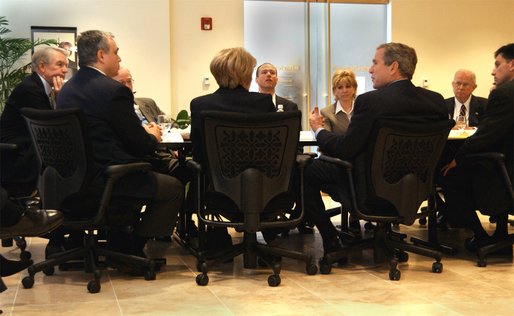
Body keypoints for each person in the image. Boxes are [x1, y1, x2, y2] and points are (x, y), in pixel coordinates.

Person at [305, 42, 448, 256]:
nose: (370, 69)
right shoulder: (436, 101)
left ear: (393, 67)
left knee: (305, 169)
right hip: (414, 192)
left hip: (370, 192)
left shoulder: (370, 102)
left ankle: (330, 238)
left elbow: (345, 150)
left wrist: (318, 130)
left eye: (375, 63)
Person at [56, 30, 184, 258]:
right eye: (116, 52)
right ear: (101, 55)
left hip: (72, 178)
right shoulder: (112, 91)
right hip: (109, 178)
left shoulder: (68, 89)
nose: (120, 58)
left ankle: (121, 236)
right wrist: (153, 135)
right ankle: (129, 246)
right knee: (172, 187)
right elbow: (140, 145)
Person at [190, 47, 276, 249]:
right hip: (263, 188)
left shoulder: (200, 104)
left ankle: (216, 234)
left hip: (219, 190)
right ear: (245, 74)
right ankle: (271, 235)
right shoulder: (263, 103)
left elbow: (199, 151)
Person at [441, 43, 514, 252]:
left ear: (512, 65)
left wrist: (458, 159)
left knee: (450, 175)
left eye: (497, 64)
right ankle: (500, 234)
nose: (493, 70)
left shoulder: (505, 94)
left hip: (505, 171)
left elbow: (484, 137)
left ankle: (480, 236)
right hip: (506, 163)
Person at [0, 47, 68, 196]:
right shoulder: (31, 89)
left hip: (27, 148)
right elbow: (50, 130)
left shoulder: (38, 86)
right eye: (60, 64)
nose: (65, 70)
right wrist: (61, 99)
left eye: (66, 66)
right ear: (42, 67)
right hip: (17, 156)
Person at [320, 70, 358, 135]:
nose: (344, 90)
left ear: (354, 88)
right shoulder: (326, 112)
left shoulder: (362, 109)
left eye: (348, 86)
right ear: (334, 91)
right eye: (340, 87)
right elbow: (327, 140)